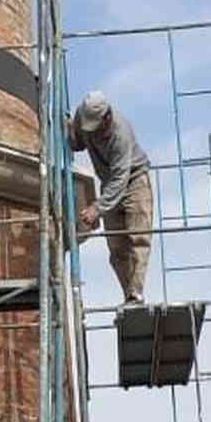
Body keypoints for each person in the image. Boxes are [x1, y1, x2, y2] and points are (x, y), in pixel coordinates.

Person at [68, 91, 153, 305]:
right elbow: (77, 142)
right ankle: (129, 294)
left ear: (106, 118)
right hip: (109, 184)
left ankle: (135, 294)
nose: (93, 132)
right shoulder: (84, 116)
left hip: (133, 181)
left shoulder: (120, 134)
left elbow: (120, 179)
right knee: (116, 247)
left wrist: (97, 208)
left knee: (138, 237)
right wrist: (64, 128)